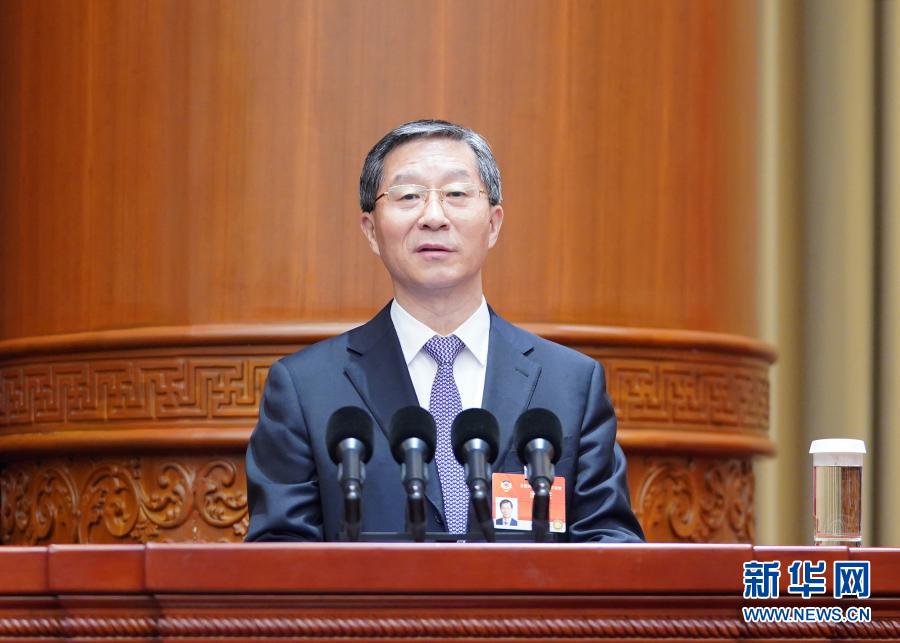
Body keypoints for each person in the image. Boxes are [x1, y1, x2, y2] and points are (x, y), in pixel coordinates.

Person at [245, 119, 644, 543]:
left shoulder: (570, 384)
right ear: (371, 231)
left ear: (493, 224)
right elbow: (279, 558)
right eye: (408, 195)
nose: (433, 217)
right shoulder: (305, 388)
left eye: (456, 194)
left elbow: (611, 545)